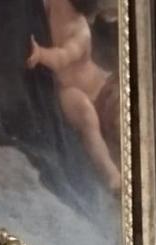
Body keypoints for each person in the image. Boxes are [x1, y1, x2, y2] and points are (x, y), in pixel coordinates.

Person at [26, 0, 122, 196]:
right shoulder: (52, 5)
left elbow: (61, 58)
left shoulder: (80, 31)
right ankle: (110, 173)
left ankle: (122, 171)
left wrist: (40, 54)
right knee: (85, 114)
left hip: (99, 90)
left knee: (121, 113)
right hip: (68, 92)